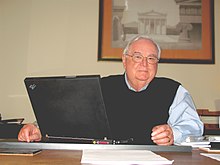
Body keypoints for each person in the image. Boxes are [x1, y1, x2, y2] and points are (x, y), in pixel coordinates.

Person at [18, 35, 203, 145]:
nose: (144, 64)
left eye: (152, 58)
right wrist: (39, 129)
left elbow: (194, 126)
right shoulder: (103, 87)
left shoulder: (173, 90)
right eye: (137, 57)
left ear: (157, 64)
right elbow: (69, 117)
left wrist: (173, 133)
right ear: (124, 60)